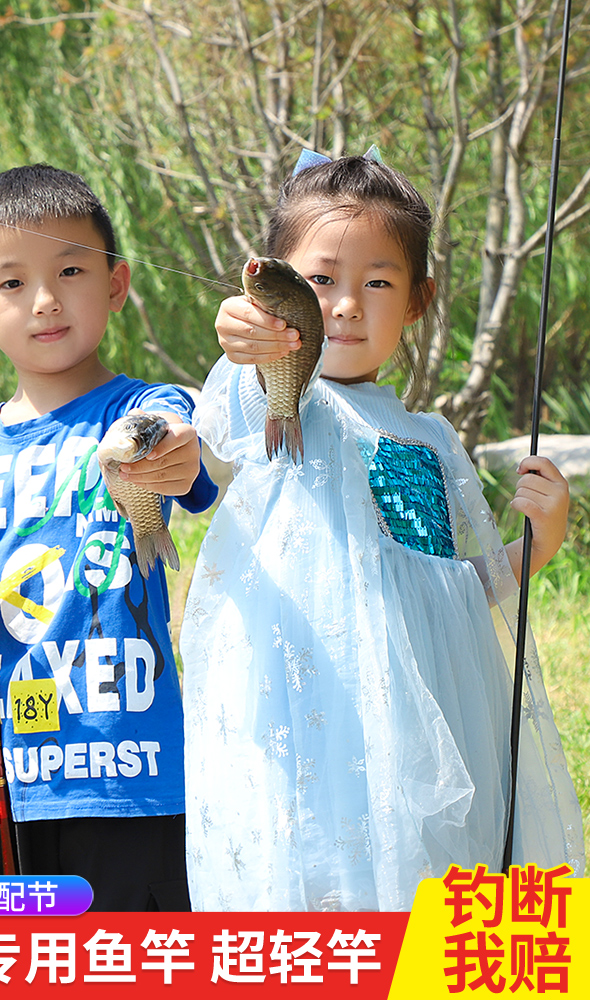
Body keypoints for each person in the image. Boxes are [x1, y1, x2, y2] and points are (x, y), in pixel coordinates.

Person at [180, 150, 585, 912]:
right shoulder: (286, 403)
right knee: (318, 891)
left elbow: (452, 591)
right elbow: (236, 402)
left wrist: (541, 541)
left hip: (425, 735)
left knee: (424, 893)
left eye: (378, 283)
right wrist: (248, 337)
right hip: (308, 729)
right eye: (319, 281)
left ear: (419, 299)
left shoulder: (430, 439)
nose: (344, 306)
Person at [0, 163, 217, 910]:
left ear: (116, 284)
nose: (44, 300)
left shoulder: (142, 406)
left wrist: (170, 449)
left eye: (70, 270)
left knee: (131, 959)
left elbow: (178, 436)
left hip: (126, 770)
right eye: (12, 283)